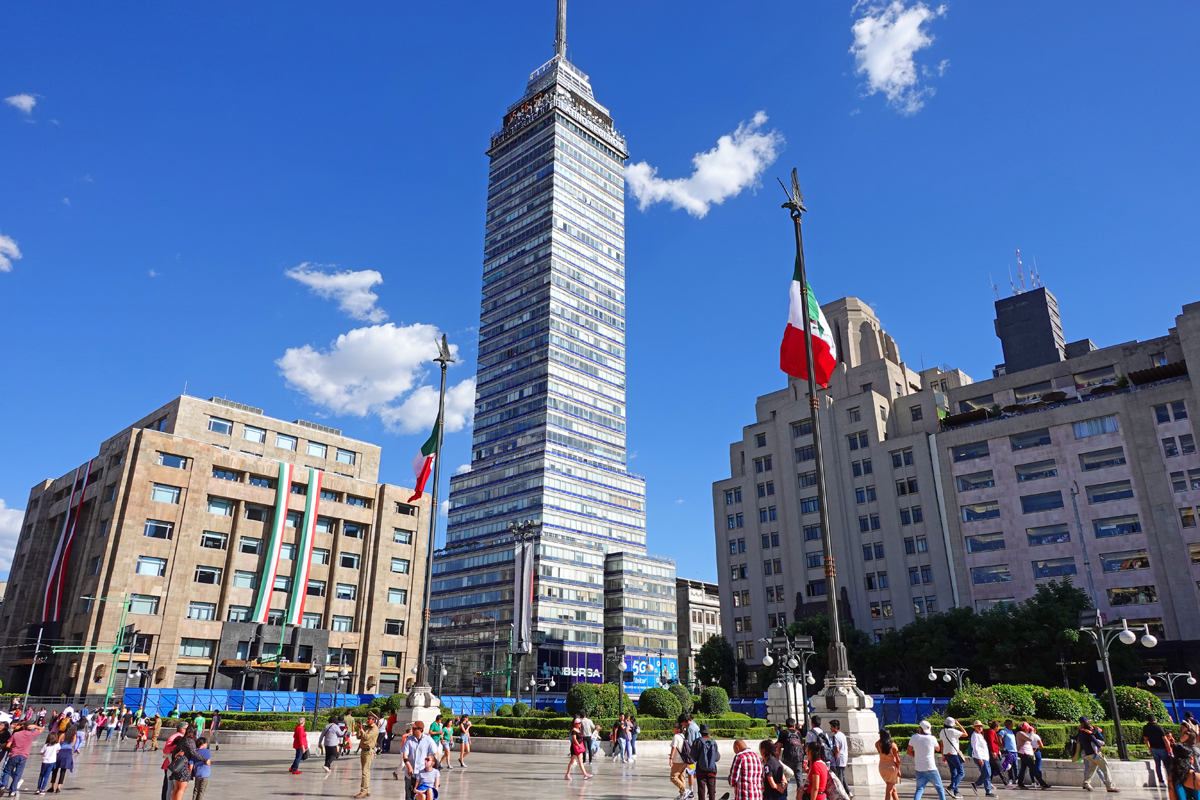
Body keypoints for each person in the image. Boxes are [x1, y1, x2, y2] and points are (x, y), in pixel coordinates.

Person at [1, 720, 43, 795]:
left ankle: (4, 785)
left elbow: (7, 745)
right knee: (18, 773)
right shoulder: (31, 734)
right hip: (23, 756)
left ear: (23, 726)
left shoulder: (16, 734)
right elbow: (41, 729)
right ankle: (13, 790)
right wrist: (35, 726)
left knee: (7, 771)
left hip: (13, 755)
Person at [908, 720, 947, 800]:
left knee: (919, 789)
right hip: (931, 768)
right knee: (940, 789)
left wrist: (917, 756)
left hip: (919, 768)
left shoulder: (914, 737)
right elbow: (938, 749)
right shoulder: (932, 738)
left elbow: (908, 752)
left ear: (920, 728)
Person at [1077, 717, 1118, 793]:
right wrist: (1101, 744)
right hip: (1095, 753)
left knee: (1091, 768)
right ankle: (1110, 786)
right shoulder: (1089, 733)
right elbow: (1096, 742)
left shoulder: (1080, 732)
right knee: (1105, 768)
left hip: (1088, 753)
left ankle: (1086, 783)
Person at [400, 721, 439, 800]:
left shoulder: (428, 740)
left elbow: (435, 755)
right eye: (412, 728)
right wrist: (409, 767)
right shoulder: (409, 740)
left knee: (424, 796)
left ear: (420, 730)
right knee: (409, 796)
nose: (412, 730)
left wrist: (429, 764)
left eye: (414, 728)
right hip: (410, 774)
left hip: (422, 774)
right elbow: (405, 755)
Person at [691, 723, 721, 800]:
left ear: (700, 732)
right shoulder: (713, 742)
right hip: (712, 770)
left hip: (700, 769)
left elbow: (693, 757)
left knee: (701, 789)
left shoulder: (697, 742)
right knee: (712, 790)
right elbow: (717, 757)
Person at [354, 712, 380, 799]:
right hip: (363, 750)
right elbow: (359, 737)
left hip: (369, 752)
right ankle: (367, 789)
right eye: (367, 719)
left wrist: (362, 730)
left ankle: (363, 791)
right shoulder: (366, 727)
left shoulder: (374, 729)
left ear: (373, 720)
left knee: (365, 771)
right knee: (366, 771)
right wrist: (359, 729)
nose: (367, 720)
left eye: (369, 719)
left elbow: (366, 737)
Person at [1016, 723, 1049, 790]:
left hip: (1026, 753)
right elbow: (1031, 739)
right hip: (1025, 753)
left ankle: (1020, 782)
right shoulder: (1020, 733)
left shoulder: (1022, 734)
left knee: (1023, 769)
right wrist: (1032, 732)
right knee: (1034, 768)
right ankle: (1042, 783)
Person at [941, 717, 968, 798]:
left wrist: (943, 755)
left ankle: (956, 792)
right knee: (961, 773)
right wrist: (959, 724)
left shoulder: (942, 731)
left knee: (954, 773)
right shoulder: (953, 731)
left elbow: (942, 744)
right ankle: (951, 787)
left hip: (946, 753)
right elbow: (965, 734)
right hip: (953, 753)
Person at [969, 721, 996, 797]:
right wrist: (979, 758)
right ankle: (988, 791)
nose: (980, 728)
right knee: (987, 773)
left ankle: (976, 784)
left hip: (984, 757)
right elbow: (975, 747)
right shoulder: (975, 736)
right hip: (980, 757)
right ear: (975, 727)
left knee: (987, 773)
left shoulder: (980, 735)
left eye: (981, 726)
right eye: (978, 726)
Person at [1144, 716, 1171, 787]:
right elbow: (1164, 738)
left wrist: (1149, 747)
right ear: (1155, 720)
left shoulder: (1145, 727)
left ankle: (1161, 782)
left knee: (1157, 765)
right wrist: (1169, 747)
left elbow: (1146, 739)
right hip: (1162, 748)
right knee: (1167, 765)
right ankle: (1170, 780)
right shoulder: (1158, 727)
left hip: (1153, 748)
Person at [876, 727, 901, 800]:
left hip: (882, 767)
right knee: (889, 791)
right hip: (891, 768)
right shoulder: (892, 745)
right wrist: (898, 769)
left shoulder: (877, 744)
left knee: (893, 788)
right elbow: (898, 759)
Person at [49, 729, 74, 795]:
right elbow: (72, 745)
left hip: (60, 752)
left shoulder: (62, 735)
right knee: (63, 771)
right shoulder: (73, 736)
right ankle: (58, 787)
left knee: (55, 769)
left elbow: (58, 743)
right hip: (67, 753)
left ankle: (52, 786)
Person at [829, 720, 850, 796]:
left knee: (839, 777)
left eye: (832, 727)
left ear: (836, 727)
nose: (830, 728)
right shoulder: (843, 735)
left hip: (839, 758)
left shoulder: (836, 736)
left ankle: (840, 792)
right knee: (843, 775)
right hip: (844, 756)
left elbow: (837, 750)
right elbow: (846, 747)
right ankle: (848, 791)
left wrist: (835, 757)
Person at [36, 730, 60, 794]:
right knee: (47, 776)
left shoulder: (46, 745)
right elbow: (58, 751)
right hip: (52, 761)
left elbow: (41, 753)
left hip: (45, 761)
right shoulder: (57, 745)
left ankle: (38, 788)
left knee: (41, 775)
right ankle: (43, 789)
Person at [669, 721, 689, 796]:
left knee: (673, 777)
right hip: (684, 760)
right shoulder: (683, 737)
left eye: (675, 728)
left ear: (678, 729)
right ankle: (682, 795)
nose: (673, 729)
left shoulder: (676, 737)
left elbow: (673, 748)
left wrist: (671, 758)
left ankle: (684, 790)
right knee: (682, 777)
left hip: (678, 760)